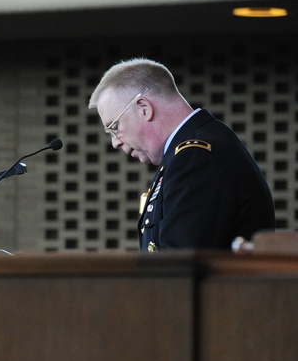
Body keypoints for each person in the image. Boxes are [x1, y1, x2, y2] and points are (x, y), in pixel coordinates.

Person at [88, 58, 275, 251]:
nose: (115, 142)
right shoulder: (190, 152)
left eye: (115, 127)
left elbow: (179, 266)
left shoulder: (196, 157)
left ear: (144, 109)